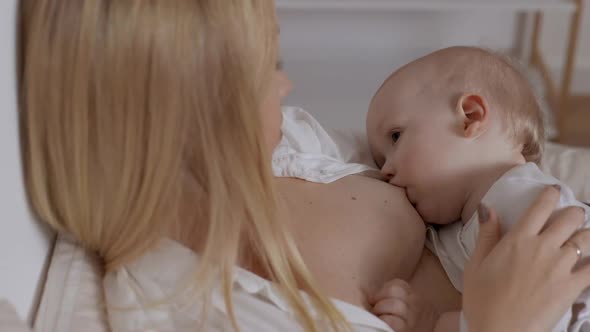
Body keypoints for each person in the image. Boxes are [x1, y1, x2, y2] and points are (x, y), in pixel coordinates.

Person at [18, 1, 590, 331]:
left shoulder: (292, 143)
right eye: (270, 63)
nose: (287, 85)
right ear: (200, 105)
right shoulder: (196, 308)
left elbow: (505, 174)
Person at [366, 46, 590, 331]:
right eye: (379, 160)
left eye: (396, 137)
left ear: (469, 116)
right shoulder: (454, 229)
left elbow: (550, 305)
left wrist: (437, 324)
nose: (385, 170)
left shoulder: (520, 197)